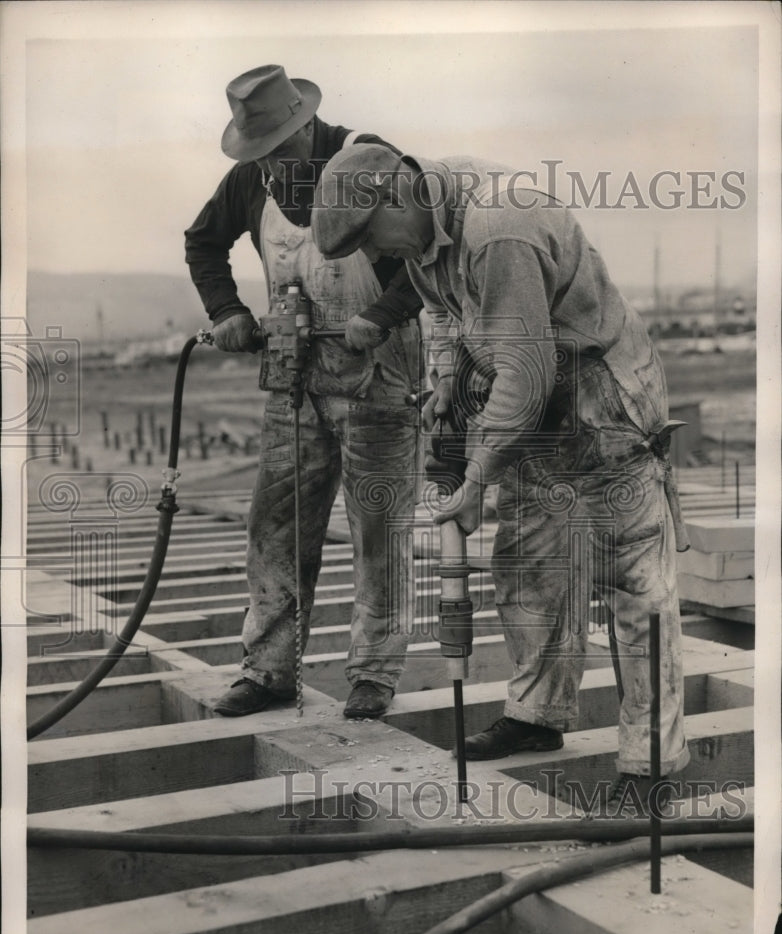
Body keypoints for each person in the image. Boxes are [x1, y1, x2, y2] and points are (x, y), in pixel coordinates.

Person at [311, 143, 692, 814]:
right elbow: (449, 320)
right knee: (530, 565)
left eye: (375, 240)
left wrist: (479, 470)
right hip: (539, 408)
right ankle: (537, 714)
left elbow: (526, 370)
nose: (381, 258)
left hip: (603, 401)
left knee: (633, 585)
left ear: (399, 198)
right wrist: (445, 390)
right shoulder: (427, 233)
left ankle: (651, 766)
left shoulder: (497, 229)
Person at [185, 67, 424, 719]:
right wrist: (227, 310)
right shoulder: (251, 178)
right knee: (276, 523)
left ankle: (374, 673)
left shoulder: (365, 160)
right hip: (294, 381)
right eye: (261, 154)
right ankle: (268, 671)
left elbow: (427, 254)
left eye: (283, 148)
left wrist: (382, 315)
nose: (275, 165)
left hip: (380, 375)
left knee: (379, 528)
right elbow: (203, 242)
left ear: (308, 125)